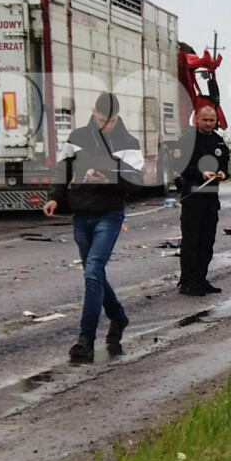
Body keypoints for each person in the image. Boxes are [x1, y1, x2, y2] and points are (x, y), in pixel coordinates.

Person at [43, 92, 142, 364]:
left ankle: (86, 339)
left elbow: (135, 181)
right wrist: (54, 197)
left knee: (93, 271)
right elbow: (62, 170)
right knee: (93, 274)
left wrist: (109, 177)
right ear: (94, 113)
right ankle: (118, 317)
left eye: (111, 121)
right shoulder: (78, 137)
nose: (105, 125)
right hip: (81, 213)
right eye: (101, 120)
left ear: (117, 117)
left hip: (109, 215)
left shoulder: (128, 143)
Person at [175, 104, 230, 296]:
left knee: (207, 241)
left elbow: (226, 164)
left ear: (216, 121)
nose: (208, 123)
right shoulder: (187, 140)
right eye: (204, 120)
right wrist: (200, 174)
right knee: (191, 241)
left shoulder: (218, 142)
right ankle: (187, 282)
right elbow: (179, 165)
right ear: (197, 119)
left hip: (211, 198)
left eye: (211, 120)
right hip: (192, 196)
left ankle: (201, 279)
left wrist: (223, 174)